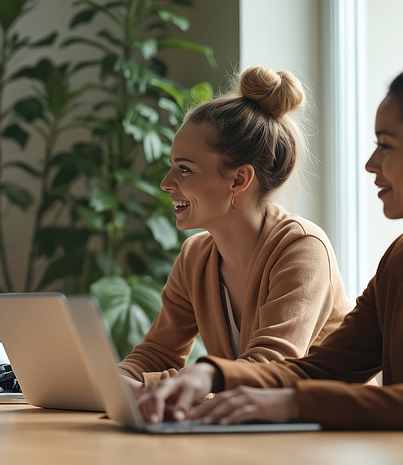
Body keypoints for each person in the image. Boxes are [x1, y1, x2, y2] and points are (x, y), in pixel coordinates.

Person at [137, 70, 403, 430]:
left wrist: (288, 402)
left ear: (240, 180)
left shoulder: (302, 246)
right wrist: (211, 375)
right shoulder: (397, 259)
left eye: (385, 145)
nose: (370, 163)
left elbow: (286, 370)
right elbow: (323, 371)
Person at [117, 66, 352, 392]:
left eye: (184, 169)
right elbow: (157, 354)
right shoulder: (195, 257)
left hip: (331, 435)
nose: (166, 183)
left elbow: (270, 369)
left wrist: (150, 386)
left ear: (239, 180)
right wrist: (112, 380)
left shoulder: (302, 248)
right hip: (256, 430)